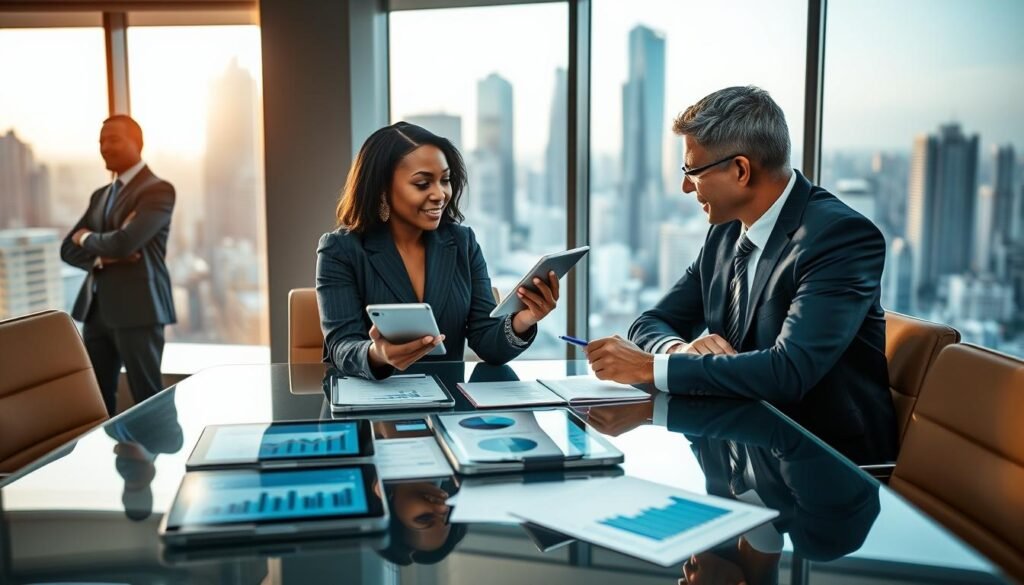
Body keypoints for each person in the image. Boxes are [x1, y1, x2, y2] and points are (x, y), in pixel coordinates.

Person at [584, 86, 897, 464]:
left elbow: (789, 371)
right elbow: (654, 321)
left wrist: (651, 367)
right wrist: (677, 350)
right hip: (737, 449)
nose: (685, 186)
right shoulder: (726, 231)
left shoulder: (839, 238)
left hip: (826, 466)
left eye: (692, 171)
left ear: (740, 170)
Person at [317, 122, 559, 379]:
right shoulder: (341, 250)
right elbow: (341, 347)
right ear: (382, 190)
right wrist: (378, 354)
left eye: (444, 180)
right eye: (422, 183)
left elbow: (487, 342)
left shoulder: (462, 243)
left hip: (448, 405)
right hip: (374, 406)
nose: (440, 194)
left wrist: (524, 319)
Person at [60, 115, 176, 416]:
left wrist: (86, 237)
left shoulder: (157, 190)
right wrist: (101, 252)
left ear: (137, 143)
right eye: (101, 140)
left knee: (148, 400)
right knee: (97, 405)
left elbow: (125, 243)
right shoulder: (101, 196)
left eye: (113, 139)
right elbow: (66, 249)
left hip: (139, 310)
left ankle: (162, 456)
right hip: (95, 311)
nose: (104, 147)